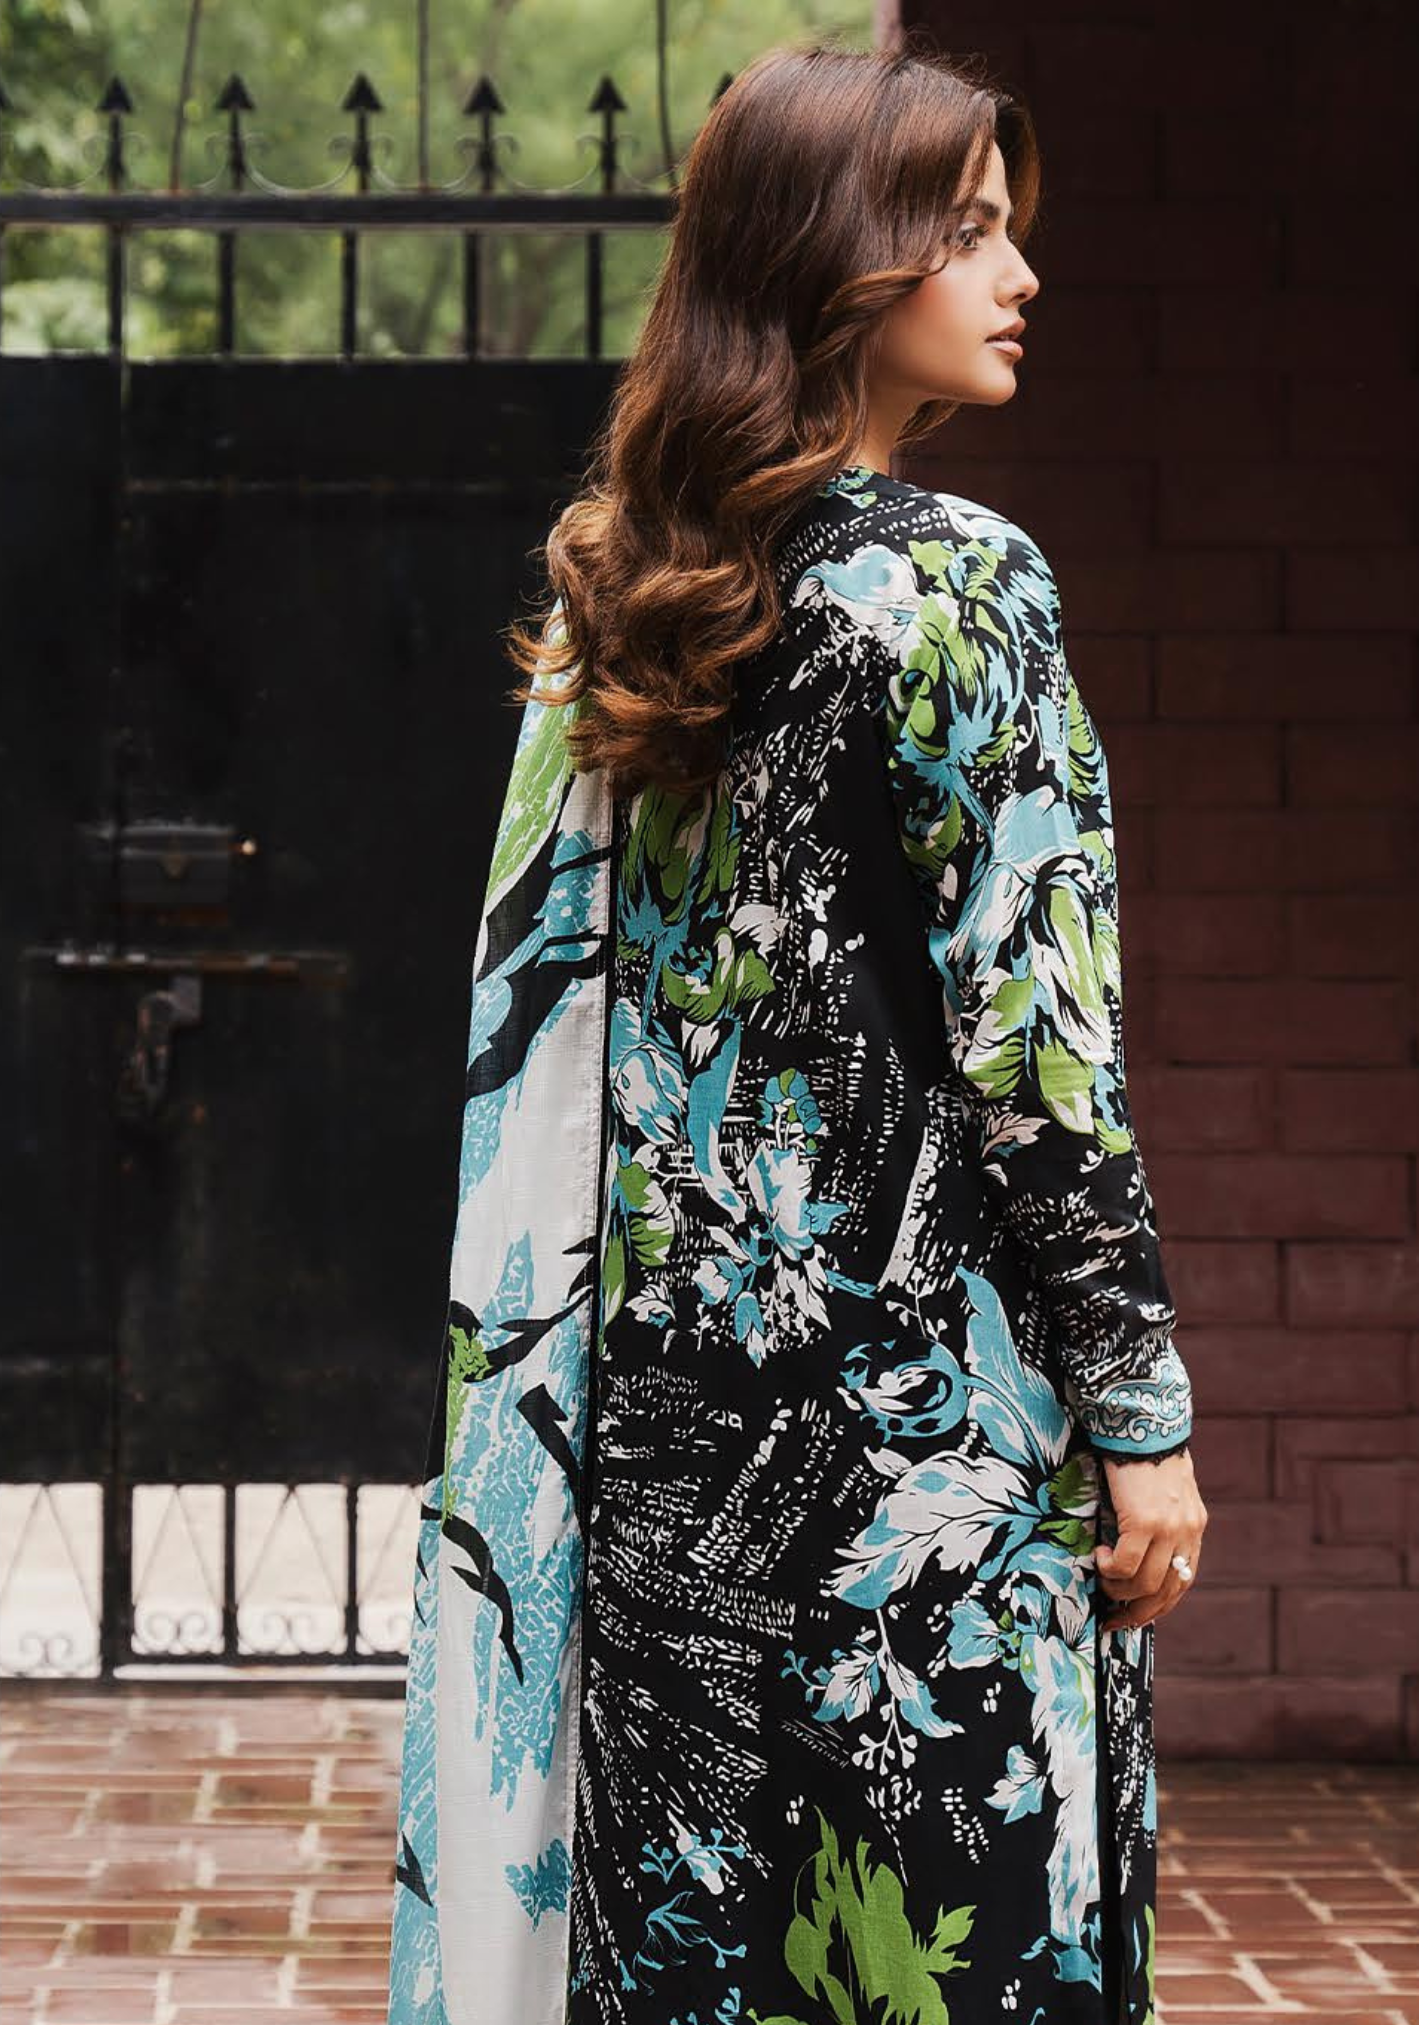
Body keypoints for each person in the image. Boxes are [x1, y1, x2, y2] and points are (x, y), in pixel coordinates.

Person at [387, 32, 1207, 2025]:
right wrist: (1143, 1416)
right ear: (840, 260)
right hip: (922, 1461)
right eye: (972, 233)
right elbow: (1040, 1062)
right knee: (935, 1958)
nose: (1022, 274)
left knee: (692, 1967)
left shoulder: (633, 605)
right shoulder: (960, 585)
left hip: (663, 1444)